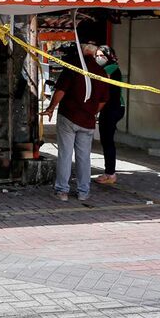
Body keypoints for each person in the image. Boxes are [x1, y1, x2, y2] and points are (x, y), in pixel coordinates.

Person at [41, 42, 110, 202]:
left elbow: (60, 91)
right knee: (84, 157)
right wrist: (92, 111)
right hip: (87, 121)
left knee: (65, 154)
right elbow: (104, 100)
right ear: (93, 54)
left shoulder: (73, 67)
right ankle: (83, 192)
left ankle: (62, 191)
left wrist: (51, 108)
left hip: (69, 116)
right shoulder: (101, 72)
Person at [94, 45, 125, 185]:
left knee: (107, 140)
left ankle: (110, 174)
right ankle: (109, 172)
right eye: (97, 56)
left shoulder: (111, 68)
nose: (99, 58)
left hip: (114, 108)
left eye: (102, 56)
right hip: (108, 108)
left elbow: (100, 81)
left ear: (109, 56)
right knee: (106, 140)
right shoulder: (106, 68)